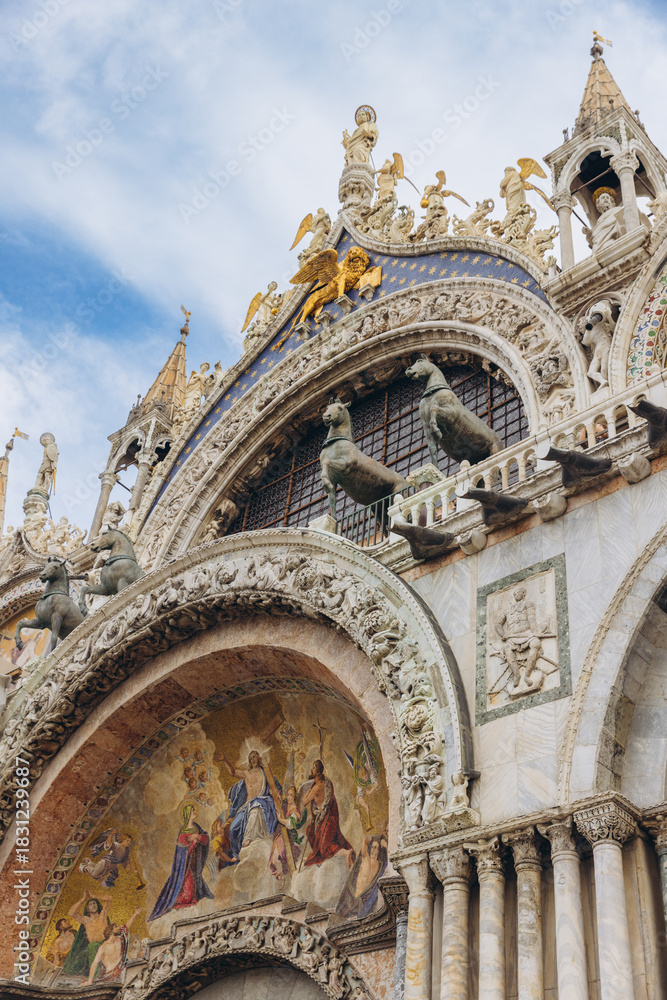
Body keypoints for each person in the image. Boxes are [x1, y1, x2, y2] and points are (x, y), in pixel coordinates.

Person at [148, 804, 213, 921]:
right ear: (188, 814)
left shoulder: (197, 827)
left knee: (196, 889)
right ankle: (172, 901)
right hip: (185, 868)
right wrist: (193, 842)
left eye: (194, 810)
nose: (195, 812)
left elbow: (206, 839)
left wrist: (197, 836)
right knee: (188, 896)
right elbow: (183, 853)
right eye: (193, 810)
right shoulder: (182, 833)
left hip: (195, 864)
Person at [215, 750, 280, 860]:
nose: (253, 759)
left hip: (261, 801)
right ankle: (237, 853)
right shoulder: (246, 773)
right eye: (251, 758)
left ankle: (248, 838)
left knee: (254, 812)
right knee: (232, 828)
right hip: (247, 805)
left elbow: (273, 787)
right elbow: (232, 772)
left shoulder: (265, 771)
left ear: (258, 758)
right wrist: (225, 760)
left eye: (255, 757)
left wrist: (277, 797)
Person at [301, 760, 355, 868]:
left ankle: (345, 853)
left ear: (317, 771)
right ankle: (325, 857)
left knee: (324, 848)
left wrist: (309, 790)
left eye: (313, 768)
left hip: (326, 820)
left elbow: (304, 802)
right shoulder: (327, 782)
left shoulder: (316, 787)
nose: (312, 770)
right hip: (329, 818)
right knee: (310, 832)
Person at [336, 835, 388, 919]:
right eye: (372, 847)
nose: (373, 850)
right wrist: (365, 841)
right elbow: (363, 851)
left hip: (365, 896)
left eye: (375, 847)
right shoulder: (366, 859)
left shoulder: (379, 865)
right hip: (355, 894)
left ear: (378, 850)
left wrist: (386, 845)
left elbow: (390, 859)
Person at [62, 891, 112, 977]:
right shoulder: (86, 920)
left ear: (97, 905)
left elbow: (109, 898)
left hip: (104, 944)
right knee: (79, 958)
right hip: (91, 946)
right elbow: (71, 913)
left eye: (94, 903)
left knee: (92, 946)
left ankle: (96, 974)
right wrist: (83, 899)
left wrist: (95, 895)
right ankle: (70, 974)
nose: (93, 905)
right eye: (90, 904)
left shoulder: (102, 915)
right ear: (87, 908)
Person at [87, 908, 141, 984]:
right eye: (116, 927)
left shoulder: (120, 939)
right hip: (111, 975)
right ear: (111, 931)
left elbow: (127, 926)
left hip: (122, 970)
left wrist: (135, 914)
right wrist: (90, 980)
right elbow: (95, 963)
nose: (118, 928)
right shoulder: (103, 947)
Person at [270, 786, 307, 880]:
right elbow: (278, 808)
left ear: (295, 796)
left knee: (278, 857)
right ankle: (280, 877)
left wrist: (280, 819)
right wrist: (275, 797)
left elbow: (290, 824)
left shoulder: (295, 810)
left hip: (286, 836)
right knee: (273, 859)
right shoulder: (285, 805)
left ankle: (282, 877)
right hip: (279, 834)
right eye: (288, 795)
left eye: (291, 795)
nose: (289, 797)